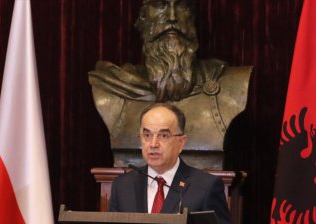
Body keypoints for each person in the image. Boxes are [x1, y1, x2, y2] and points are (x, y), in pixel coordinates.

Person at [89, 0, 252, 170]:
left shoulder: (231, 84)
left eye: (182, 5)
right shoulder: (112, 86)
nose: (172, 17)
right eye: (160, 5)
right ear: (143, 17)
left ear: (192, 17)